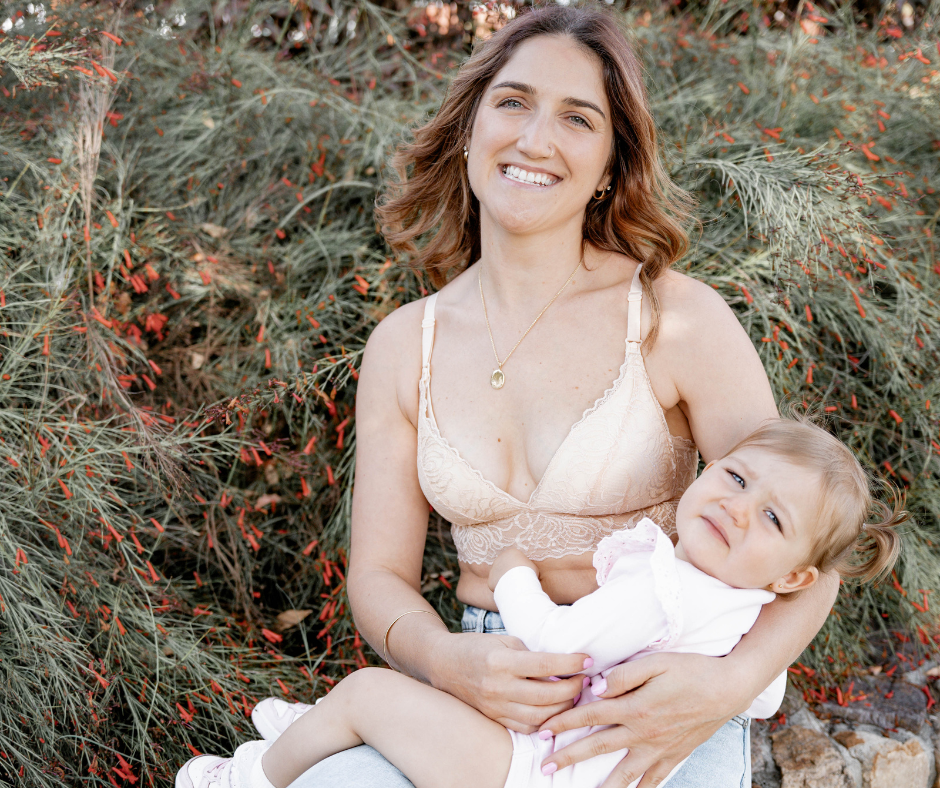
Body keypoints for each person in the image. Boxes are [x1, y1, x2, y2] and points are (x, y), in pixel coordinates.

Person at [243, 5, 842, 786]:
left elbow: (815, 551)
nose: (535, 139)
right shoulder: (403, 345)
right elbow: (379, 577)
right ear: (469, 128)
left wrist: (720, 688)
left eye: (577, 118)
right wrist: (448, 661)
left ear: (609, 166)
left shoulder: (674, 319)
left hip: (658, 693)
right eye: (514, 101)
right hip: (482, 690)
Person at [176, 419, 905, 788]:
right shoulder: (737, 613)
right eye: (737, 478)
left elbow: (556, 637)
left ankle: (240, 778)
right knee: (390, 710)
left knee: (369, 691)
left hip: (532, 763)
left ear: (795, 581)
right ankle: (319, 734)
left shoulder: (663, 589)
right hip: (567, 758)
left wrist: (514, 572)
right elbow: (764, 694)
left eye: (774, 519)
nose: (740, 509)